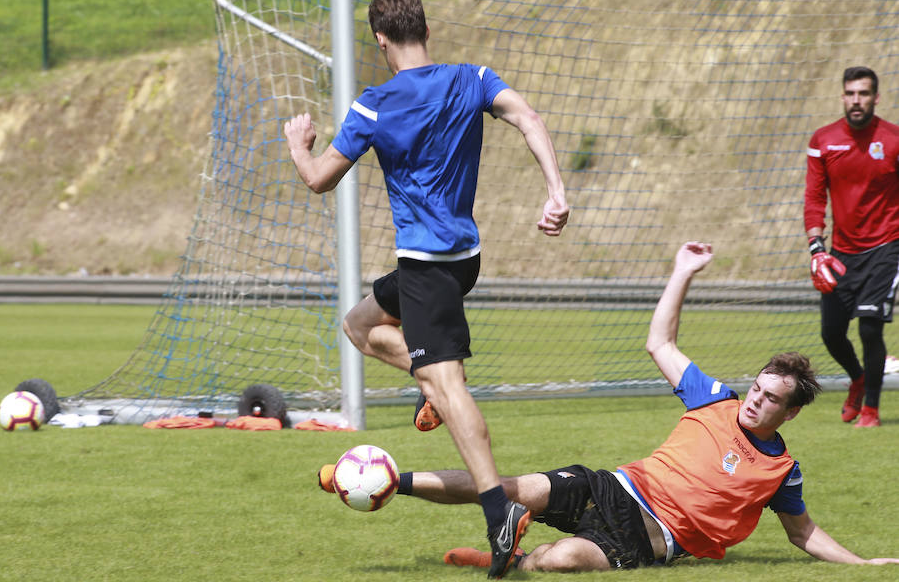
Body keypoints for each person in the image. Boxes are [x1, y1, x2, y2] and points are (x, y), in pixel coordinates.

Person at [319, 242, 899, 573]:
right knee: (509, 486)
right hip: (614, 485)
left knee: (561, 561)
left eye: (772, 400)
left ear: (789, 414)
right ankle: (392, 480)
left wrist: (865, 564)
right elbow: (660, 344)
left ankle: (506, 561)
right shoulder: (713, 398)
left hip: (651, 536)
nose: (756, 402)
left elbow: (804, 535)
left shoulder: (782, 472)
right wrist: (682, 272)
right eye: (757, 389)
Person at [284, 0, 569, 578]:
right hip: (462, 260)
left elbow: (318, 180)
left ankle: (499, 511)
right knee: (361, 324)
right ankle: (432, 391)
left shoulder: (374, 104)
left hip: (426, 267)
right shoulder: (473, 77)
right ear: (427, 30)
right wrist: (556, 193)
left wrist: (298, 146)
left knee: (450, 383)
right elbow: (530, 118)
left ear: (381, 40)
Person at [804, 66, 899, 428]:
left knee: (870, 328)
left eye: (863, 93)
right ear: (843, 96)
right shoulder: (824, 140)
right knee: (830, 332)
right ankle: (857, 377)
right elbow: (814, 198)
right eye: (850, 93)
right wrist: (817, 246)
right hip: (840, 253)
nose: (856, 100)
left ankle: (871, 410)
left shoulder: (893, 140)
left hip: (886, 247)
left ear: (876, 97)